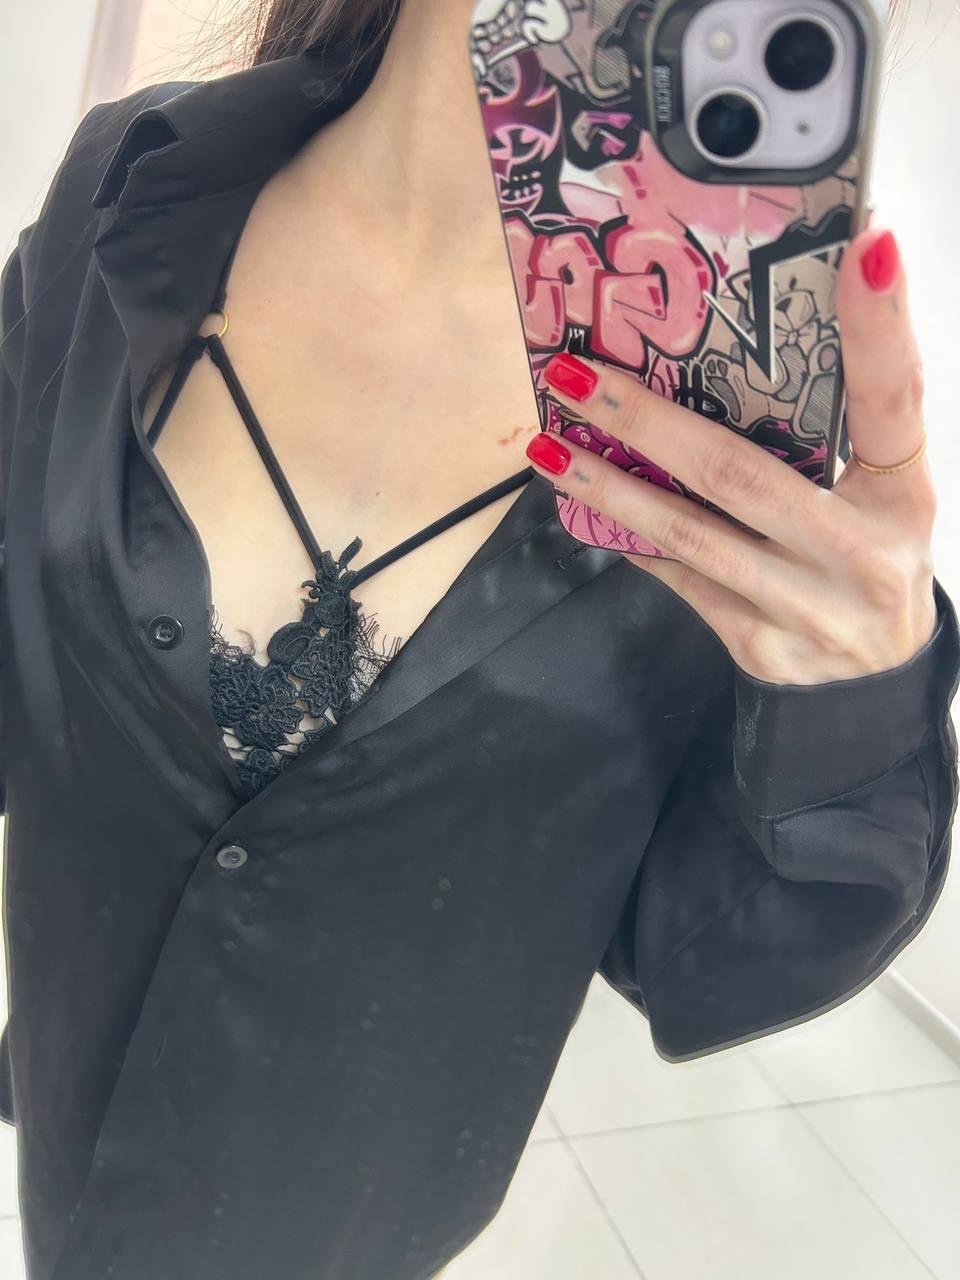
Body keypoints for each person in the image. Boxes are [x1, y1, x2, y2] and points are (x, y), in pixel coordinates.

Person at [0, 2, 957, 1278]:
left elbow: (713, 959)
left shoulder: (738, 474)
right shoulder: (125, 187)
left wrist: (857, 712)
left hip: (353, 1228)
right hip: (61, 1135)